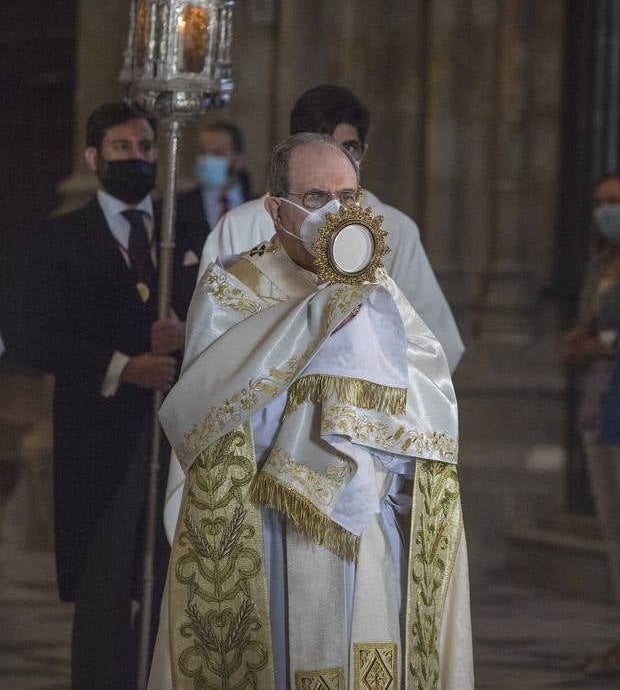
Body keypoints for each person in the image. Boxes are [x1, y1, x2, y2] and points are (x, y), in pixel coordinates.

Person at [148, 133, 473, 689]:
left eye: (349, 199)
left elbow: (426, 409)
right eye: (318, 198)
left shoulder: (382, 294)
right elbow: (207, 414)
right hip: (268, 526)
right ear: (277, 210)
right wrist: (313, 326)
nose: (338, 215)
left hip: (365, 530)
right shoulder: (235, 286)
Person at [22, 101, 197, 689]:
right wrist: (125, 367)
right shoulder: (60, 239)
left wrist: (186, 331)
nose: (137, 159)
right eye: (123, 149)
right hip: (99, 439)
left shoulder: (187, 231)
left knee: (172, 581)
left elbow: (232, 317)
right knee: (104, 587)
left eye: (146, 149)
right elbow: (36, 336)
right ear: (95, 158)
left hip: (176, 437)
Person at [201, 85, 464, 372]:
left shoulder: (395, 229)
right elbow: (212, 338)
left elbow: (436, 342)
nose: (338, 157)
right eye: (324, 144)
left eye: (349, 147)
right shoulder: (241, 226)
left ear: (364, 150)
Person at [562, 172, 620, 676]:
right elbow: (584, 326)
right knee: (613, 525)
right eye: (601, 202)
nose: (607, 211)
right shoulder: (599, 264)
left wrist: (603, 344)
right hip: (598, 400)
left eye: (617, 202)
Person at [177, 120, 253, 258]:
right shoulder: (178, 207)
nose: (207, 159)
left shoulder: (259, 205)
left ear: (238, 159)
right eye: (202, 152)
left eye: (217, 153)